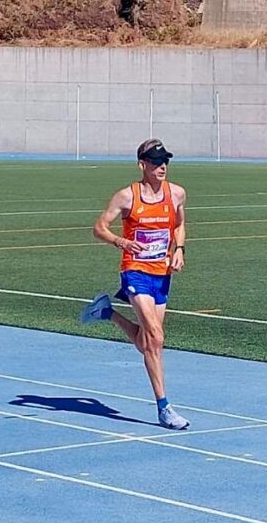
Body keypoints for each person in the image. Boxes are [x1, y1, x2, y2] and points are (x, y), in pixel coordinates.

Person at [80, 139, 189, 430]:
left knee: (146, 342)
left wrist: (179, 249)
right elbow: (99, 228)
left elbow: (179, 224)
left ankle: (107, 312)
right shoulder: (127, 197)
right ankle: (164, 408)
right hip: (135, 271)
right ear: (142, 164)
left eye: (165, 161)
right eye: (155, 162)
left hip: (161, 274)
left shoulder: (176, 193)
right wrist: (120, 241)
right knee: (156, 338)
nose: (162, 167)